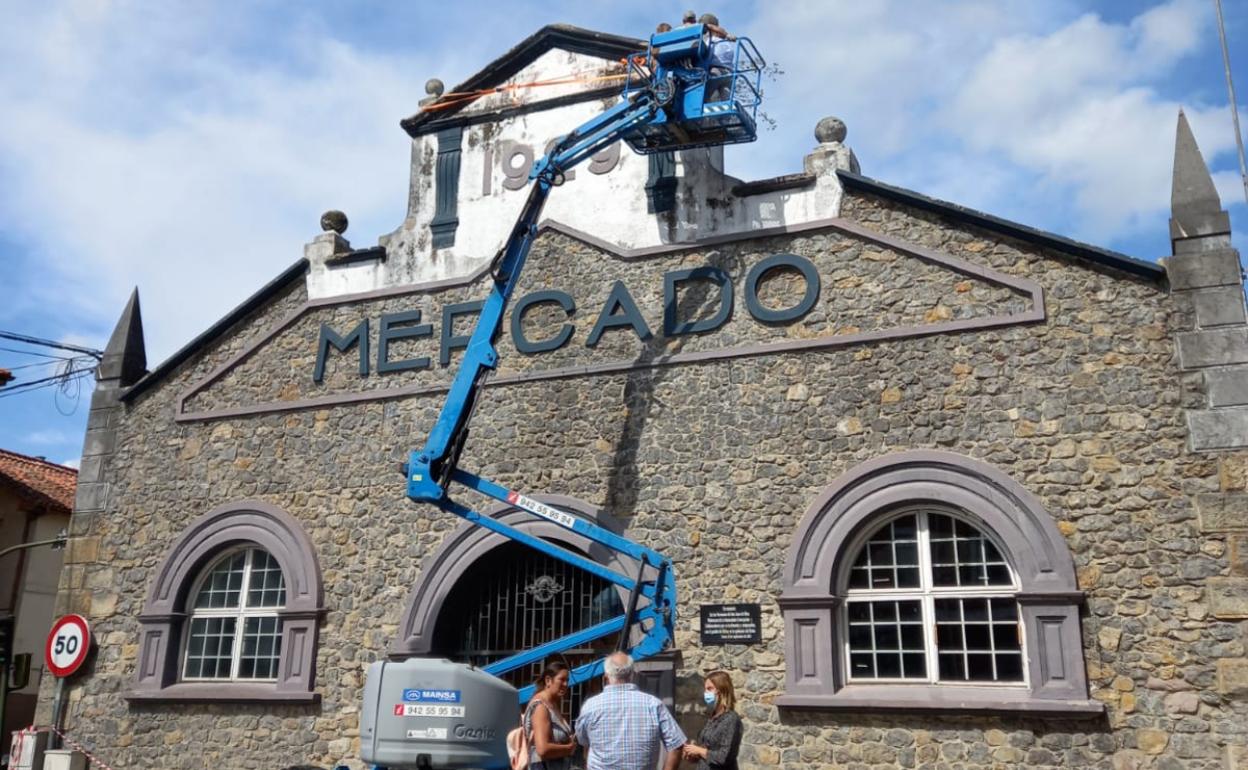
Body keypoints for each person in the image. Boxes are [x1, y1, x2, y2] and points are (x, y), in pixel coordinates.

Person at [576, 652, 686, 770]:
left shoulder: (590, 706)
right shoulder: (653, 705)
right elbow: (676, 744)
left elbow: (583, 741)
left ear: (605, 677)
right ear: (632, 675)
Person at [681, 671, 743, 770]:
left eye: (710, 689)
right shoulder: (712, 717)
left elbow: (724, 757)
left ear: (722, 690)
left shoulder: (731, 719)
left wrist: (699, 751)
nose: (706, 693)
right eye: (705, 689)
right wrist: (692, 754)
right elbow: (708, 753)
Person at [525, 661, 579, 770]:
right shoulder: (540, 707)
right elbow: (543, 749)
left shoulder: (552, 704)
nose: (566, 684)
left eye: (567, 680)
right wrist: (568, 749)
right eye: (562, 679)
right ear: (548, 680)